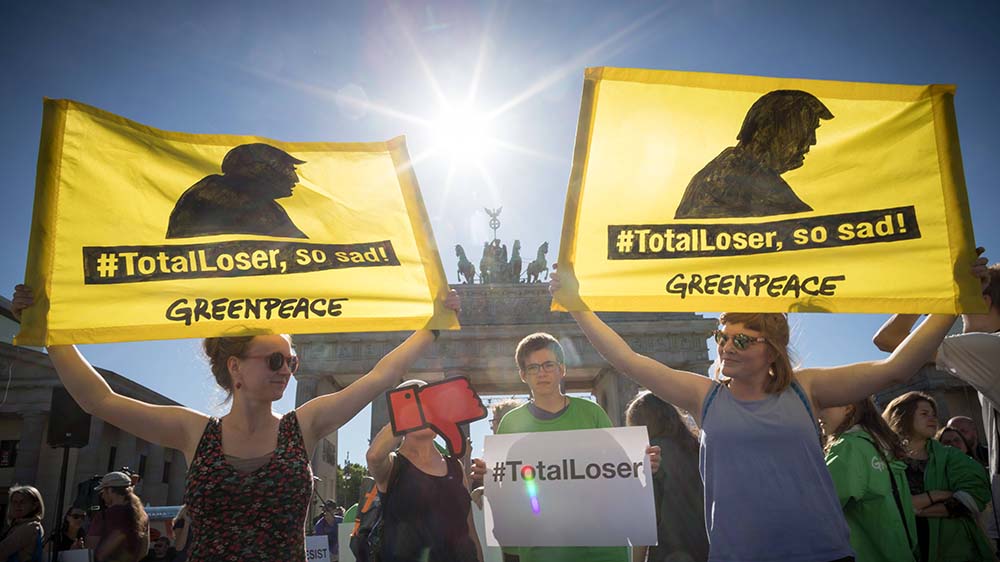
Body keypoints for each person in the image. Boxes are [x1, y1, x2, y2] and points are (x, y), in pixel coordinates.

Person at [551, 251, 987, 562]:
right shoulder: (704, 396)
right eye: (722, 336)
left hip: (822, 553)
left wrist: (954, 301)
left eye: (742, 340)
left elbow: (897, 367)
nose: (727, 347)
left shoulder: (806, 388)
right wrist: (578, 308)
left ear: (772, 348)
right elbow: (627, 360)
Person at [10, 285, 460, 562]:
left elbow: (381, 376)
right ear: (235, 367)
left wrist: (433, 327)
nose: (287, 370)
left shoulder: (302, 426)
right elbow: (99, 399)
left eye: (292, 361)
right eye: (275, 359)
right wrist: (48, 333)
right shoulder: (194, 431)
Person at [469, 332, 661, 562]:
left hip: (603, 549)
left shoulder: (592, 414)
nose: (542, 373)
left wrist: (643, 464)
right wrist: (488, 477)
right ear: (523, 375)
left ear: (562, 369)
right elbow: (508, 485)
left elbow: (620, 472)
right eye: (533, 367)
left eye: (548, 365)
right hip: (540, 551)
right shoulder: (511, 423)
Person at [873, 259, 1000, 549]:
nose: (961, 315)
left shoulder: (992, 348)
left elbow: (889, 339)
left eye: (963, 306)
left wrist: (947, 291)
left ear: (983, 302)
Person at [367, 380, 483, 562]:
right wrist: (404, 413)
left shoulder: (455, 466)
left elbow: (470, 530)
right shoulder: (392, 466)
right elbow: (373, 456)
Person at [674, 89, 833, 219]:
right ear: (768, 130)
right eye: (804, 130)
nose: (812, 141)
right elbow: (806, 226)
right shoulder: (733, 177)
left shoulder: (737, 167)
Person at [882, 391, 994, 562]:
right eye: (924, 414)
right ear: (903, 417)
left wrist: (919, 510)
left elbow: (974, 496)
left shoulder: (951, 456)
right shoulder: (883, 459)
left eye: (934, 414)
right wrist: (938, 495)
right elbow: (886, 506)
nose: (933, 419)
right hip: (903, 547)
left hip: (953, 549)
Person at [819, 397, 918, 562]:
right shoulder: (880, 444)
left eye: (824, 405)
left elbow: (818, 507)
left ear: (848, 407)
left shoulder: (849, 446)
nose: (818, 414)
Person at [625, 391, 708, 562]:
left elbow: (645, 522)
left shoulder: (650, 458)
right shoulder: (698, 449)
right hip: (705, 550)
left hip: (669, 552)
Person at [166, 143, 308, 239]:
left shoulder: (267, 205)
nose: (295, 179)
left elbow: (299, 245)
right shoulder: (216, 191)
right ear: (261, 168)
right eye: (288, 169)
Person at [88, 471, 149, 562]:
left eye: (103, 491)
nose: (102, 496)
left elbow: (92, 551)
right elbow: (144, 551)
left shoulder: (104, 516)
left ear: (110, 490)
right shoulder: (142, 516)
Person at [0, 485, 44, 562]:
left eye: (22, 502)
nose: (17, 505)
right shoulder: (18, 525)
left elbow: (2, 550)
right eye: (14, 502)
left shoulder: (31, 526)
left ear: (34, 505)